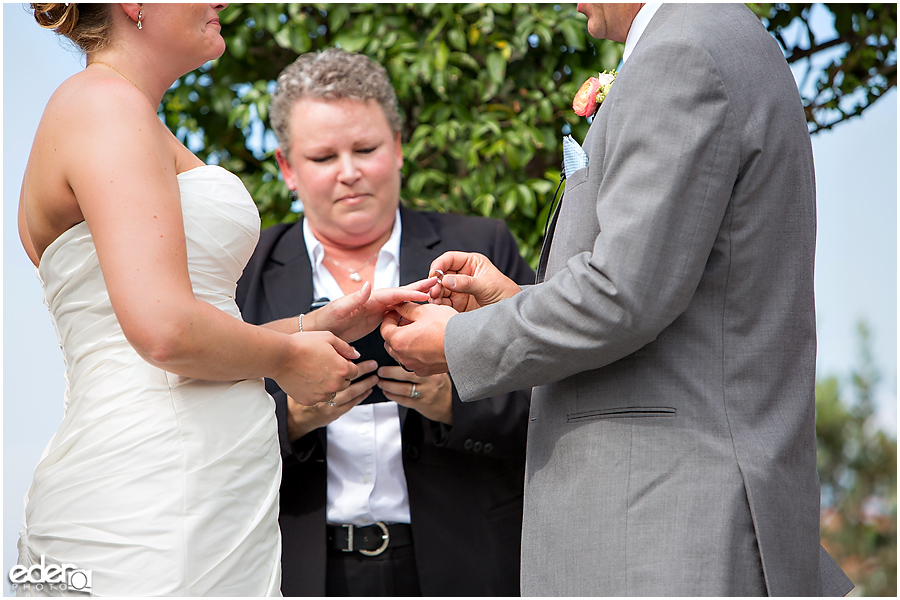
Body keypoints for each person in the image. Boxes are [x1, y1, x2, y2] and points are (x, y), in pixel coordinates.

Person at [381, 3, 855, 596]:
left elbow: (622, 296)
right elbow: (668, 291)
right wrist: (509, 303)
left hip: (665, 525)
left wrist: (455, 342)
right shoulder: (716, 38)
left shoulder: (684, 52)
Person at [16, 5, 429, 596]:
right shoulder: (102, 106)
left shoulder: (119, 113)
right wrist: (289, 361)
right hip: (159, 487)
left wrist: (313, 325)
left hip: (203, 484)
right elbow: (163, 330)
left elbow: (184, 318)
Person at [235, 48, 534, 596]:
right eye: (323, 157)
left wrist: (451, 401)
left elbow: (550, 399)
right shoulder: (245, 272)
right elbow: (203, 425)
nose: (349, 173)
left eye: (366, 149)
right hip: (299, 571)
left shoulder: (482, 250)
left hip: (463, 563)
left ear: (397, 148)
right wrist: (294, 417)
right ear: (288, 169)